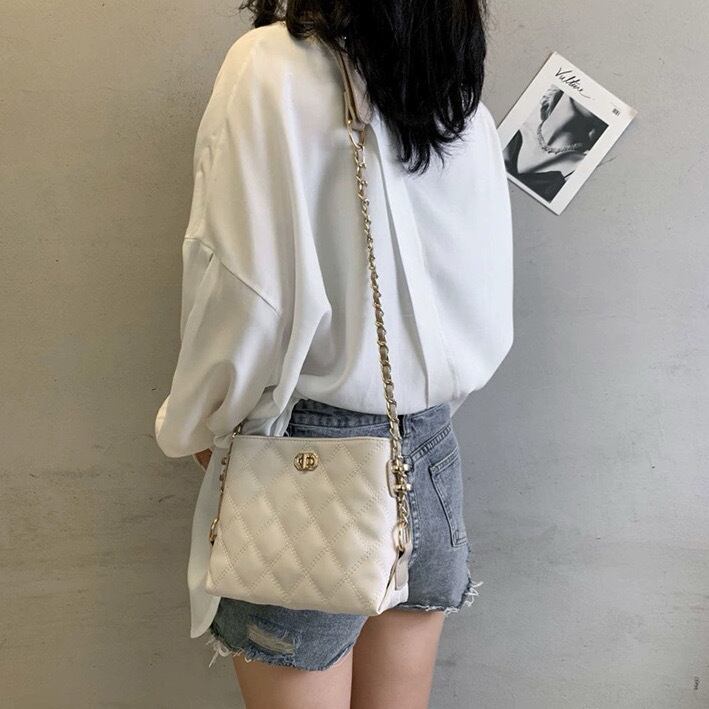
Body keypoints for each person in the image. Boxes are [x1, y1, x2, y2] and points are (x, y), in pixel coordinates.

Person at [154, 2, 513, 707]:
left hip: (305, 459)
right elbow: (481, 304)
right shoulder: (455, 95)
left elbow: (240, 289)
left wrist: (199, 423)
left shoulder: (268, 67)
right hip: (427, 456)